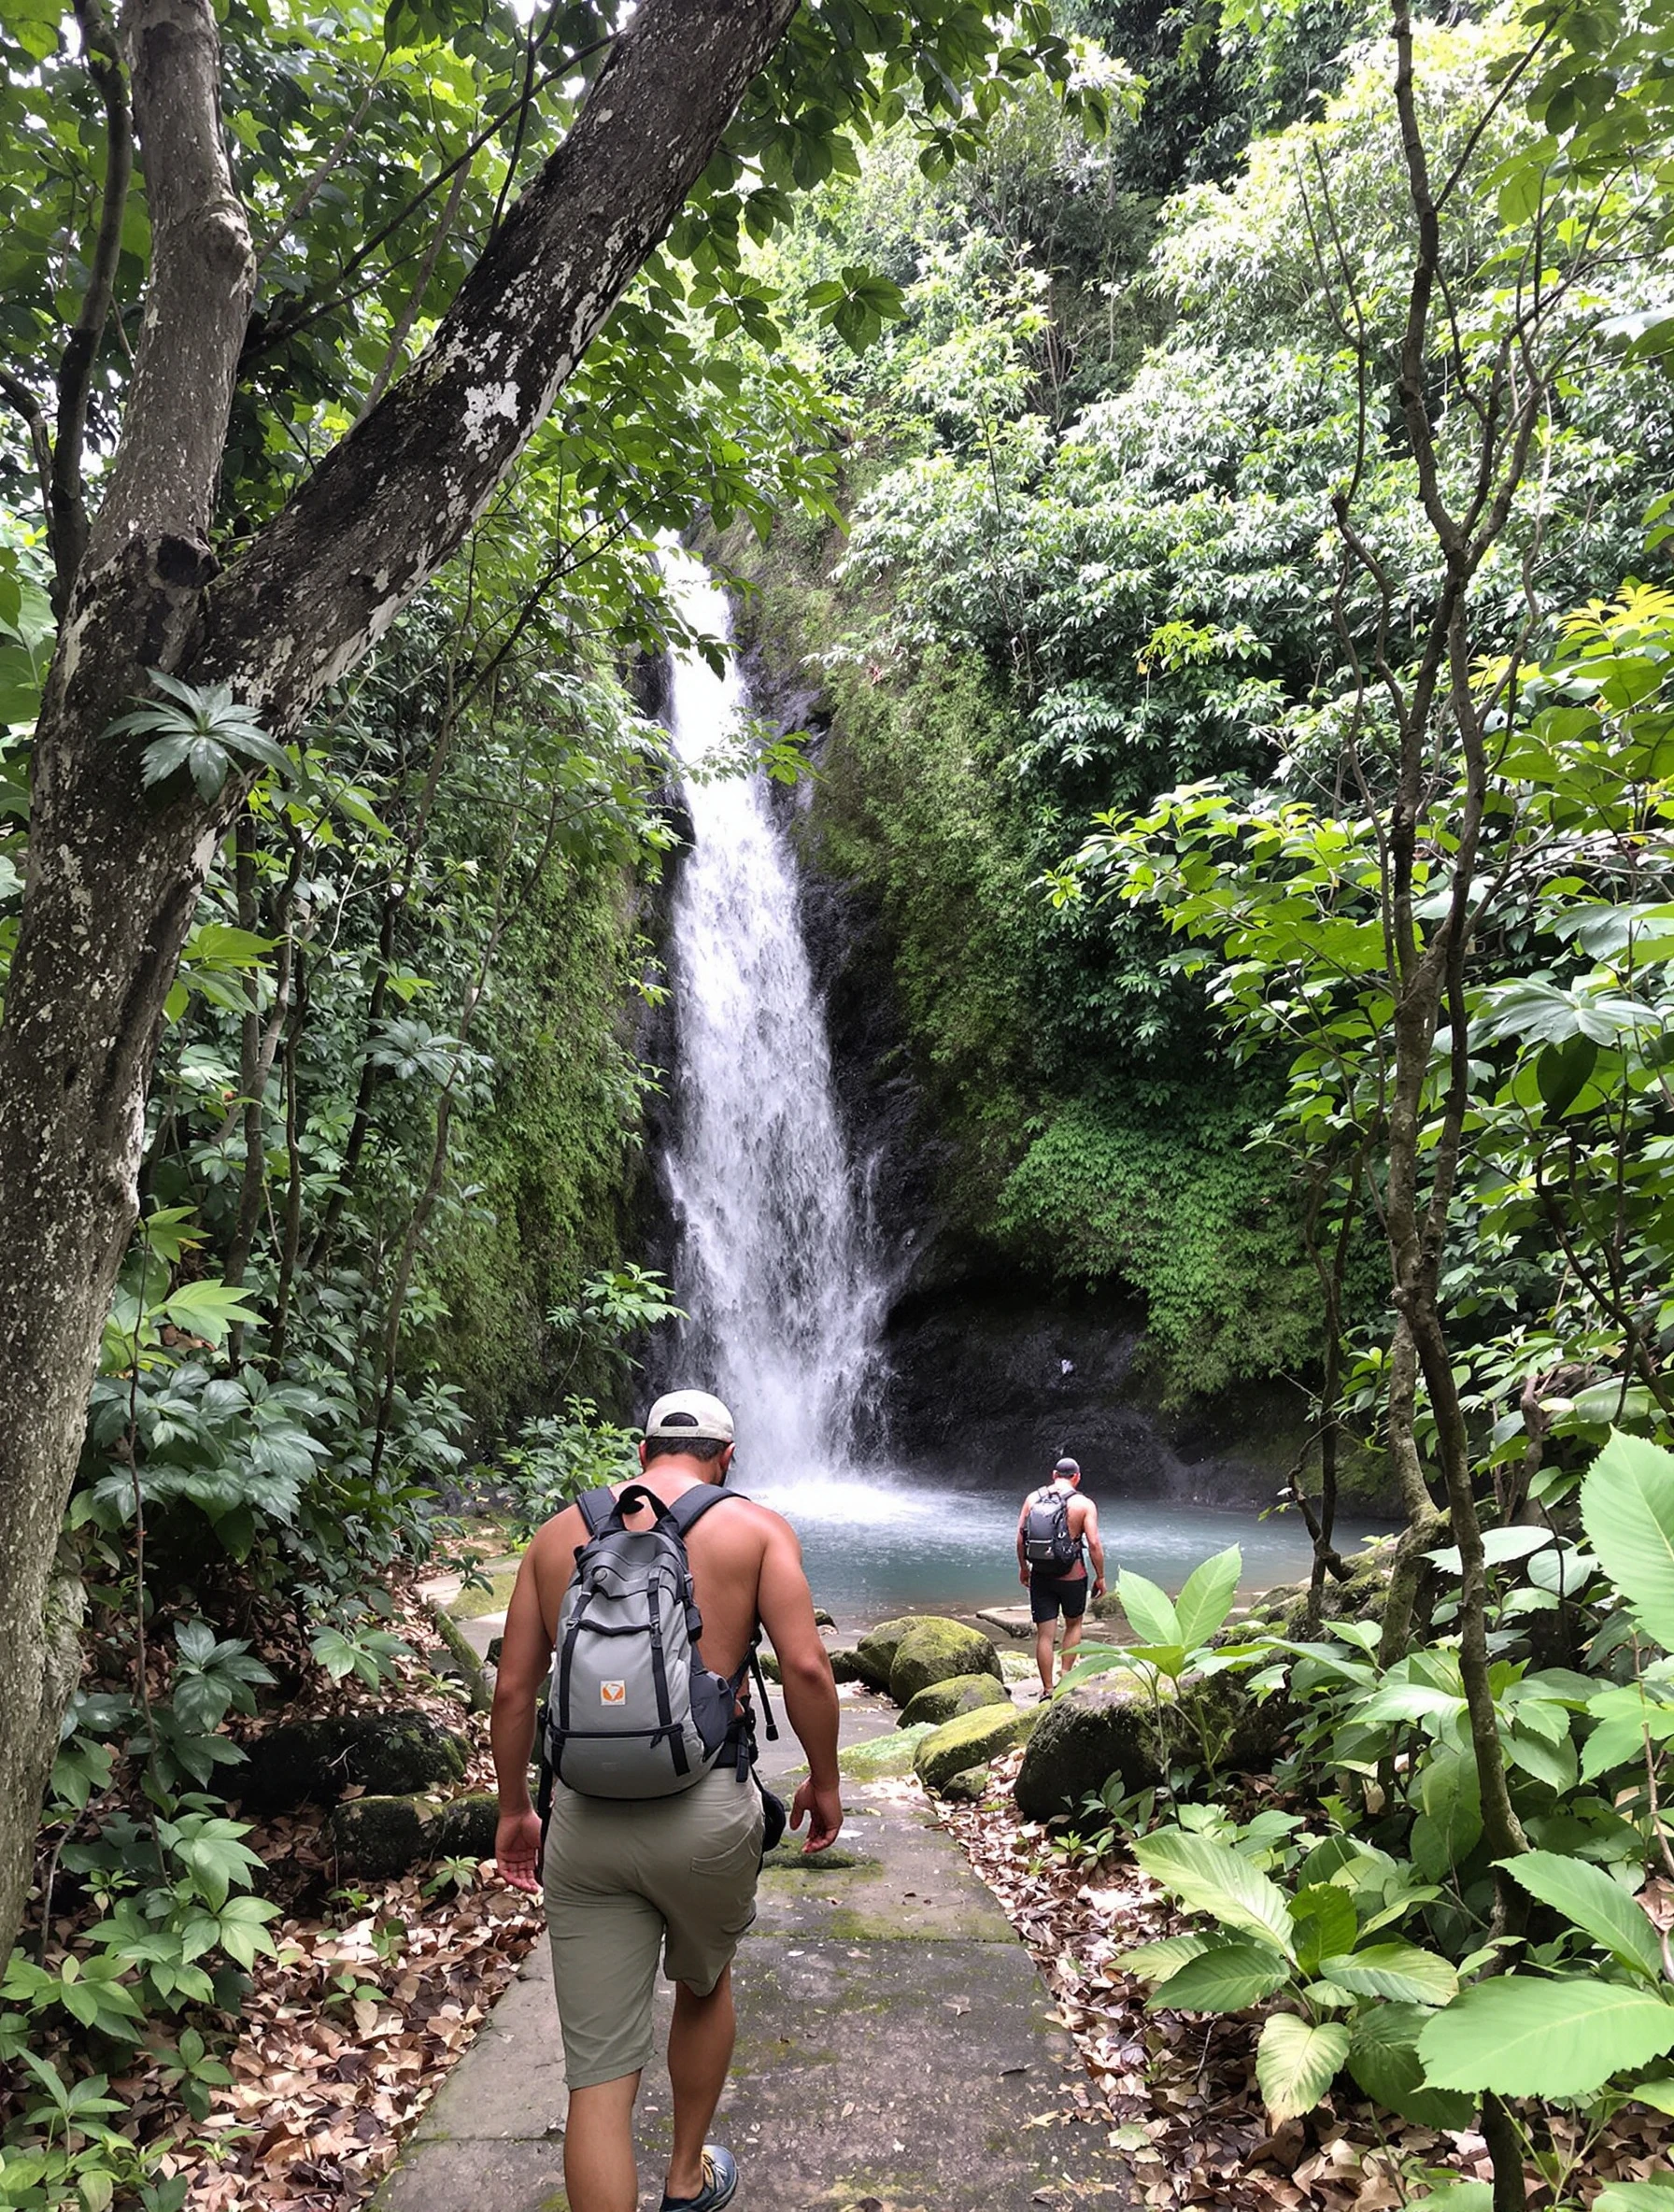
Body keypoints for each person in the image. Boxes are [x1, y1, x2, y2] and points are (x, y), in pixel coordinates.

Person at [491, 1388, 843, 2212]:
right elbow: (807, 1671)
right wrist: (824, 1783)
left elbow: (513, 1692)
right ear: (728, 1456)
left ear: (643, 1450)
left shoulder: (556, 1536)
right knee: (703, 1982)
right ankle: (686, 2179)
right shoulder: (753, 1529)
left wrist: (515, 1811)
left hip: (583, 1821)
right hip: (706, 1814)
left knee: (600, 2077)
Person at [1016, 1454, 1106, 1698]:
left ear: (1054, 1475)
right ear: (1076, 1477)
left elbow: (1020, 1538)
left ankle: (1046, 1689)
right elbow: (1095, 1543)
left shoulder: (1033, 1498)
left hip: (1041, 1574)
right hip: (1072, 1575)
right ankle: (1065, 1678)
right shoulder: (1084, 1504)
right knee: (1073, 1624)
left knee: (1045, 1634)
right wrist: (1101, 1577)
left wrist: (1024, 1569)